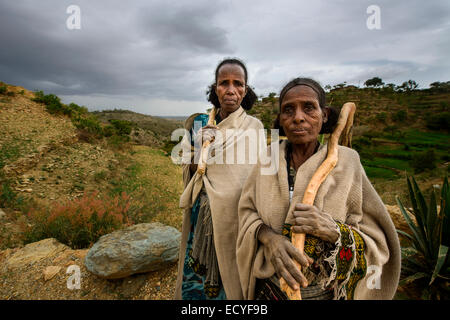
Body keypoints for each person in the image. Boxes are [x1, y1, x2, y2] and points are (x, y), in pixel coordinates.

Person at [236, 77, 401, 300]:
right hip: (270, 290)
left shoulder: (347, 162)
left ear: (324, 116)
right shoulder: (268, 157)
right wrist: (270, 239)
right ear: (281, 119)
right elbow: (247, 212)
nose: (298, 118)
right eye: (288, 110)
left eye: (309, 108)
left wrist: (333, 230)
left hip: (324, 293)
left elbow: (378, 242)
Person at [174, 58, 264, 300]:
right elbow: (187, 163)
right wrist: (202, 146)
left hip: (237, 218)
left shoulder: (254, 127)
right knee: (196, 280)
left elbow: (257, 176)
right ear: (216, 88)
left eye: (238, 83)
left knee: (233, 278)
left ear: (246, 90)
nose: (231, 90)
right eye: (224, 83)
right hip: (201, 215)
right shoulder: (199, 124)